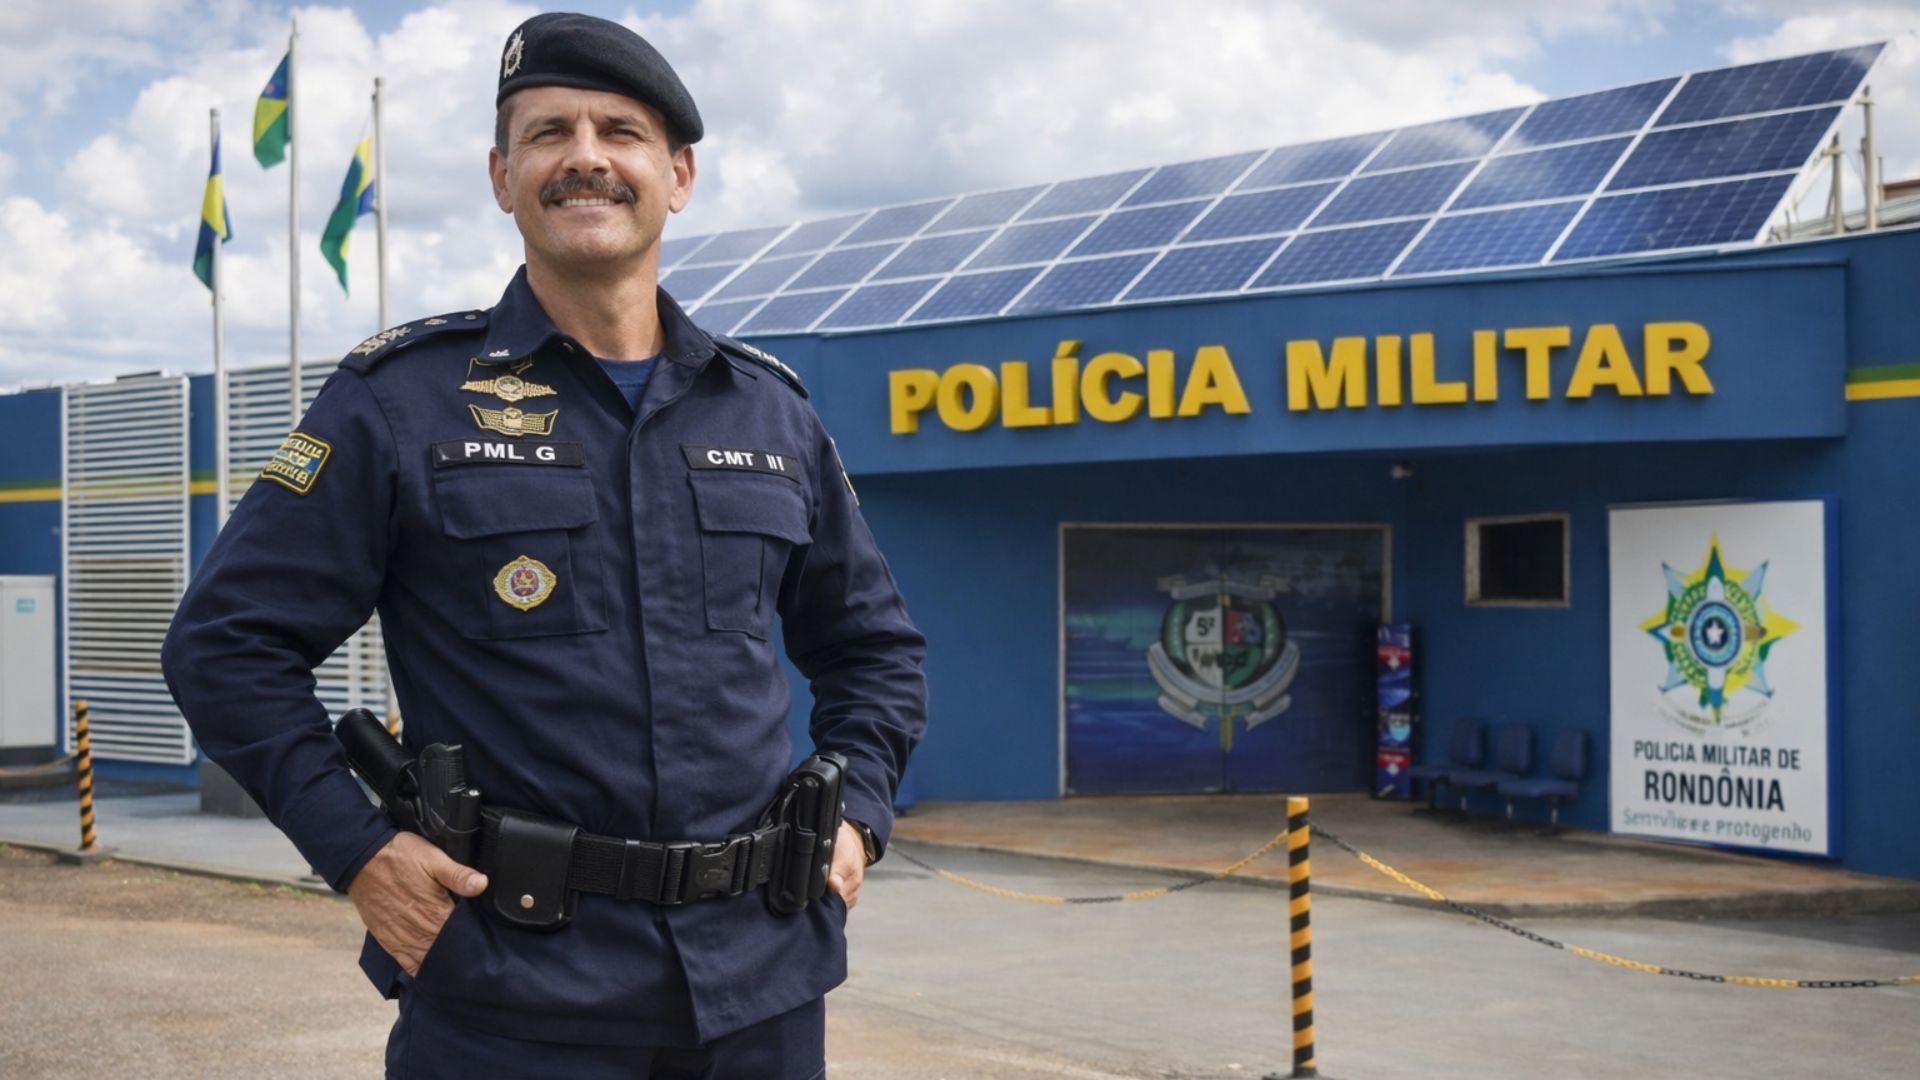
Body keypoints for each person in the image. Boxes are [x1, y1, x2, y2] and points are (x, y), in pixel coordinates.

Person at [161, 12, 927, 1078]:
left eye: (620, 130)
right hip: (513, 995)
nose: (586, 156)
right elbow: (224, 645)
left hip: (760, 989)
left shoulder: (768, 413)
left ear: (679, 174)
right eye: (548, 131)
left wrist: (857, 814)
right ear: (501, 174)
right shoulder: (400, 403)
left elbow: (874, 649)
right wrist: (360, 852)